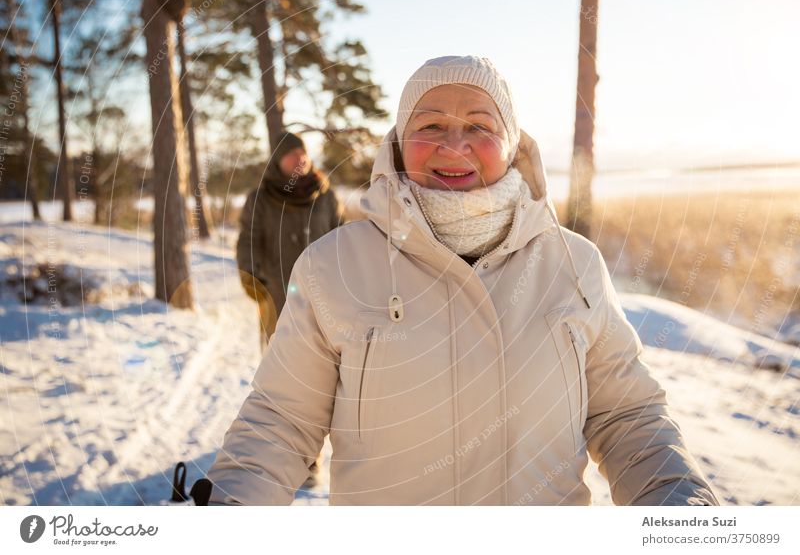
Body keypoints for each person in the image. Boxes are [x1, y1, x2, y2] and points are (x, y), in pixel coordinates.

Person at [209, 55, 719, 506]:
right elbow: (281, 421)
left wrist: (684, 515)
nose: (455, 146)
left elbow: (629, 417)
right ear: (398, 143)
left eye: (480, 125)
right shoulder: (332, 266)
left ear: (513, 142)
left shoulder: (574, 263)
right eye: (429, 126)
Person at [235, 131, 343, 487]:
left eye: (303, 153)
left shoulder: (326, 196)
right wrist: (256, 285)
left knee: (322, 381)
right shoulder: (260, 198)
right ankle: (290, 455)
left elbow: (344, 242)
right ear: (277, 161)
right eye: (291, 155)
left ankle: (312, 457)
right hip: (277, 302)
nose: (300, 160)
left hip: (325, 304)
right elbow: (248, 242)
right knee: (284, 382)